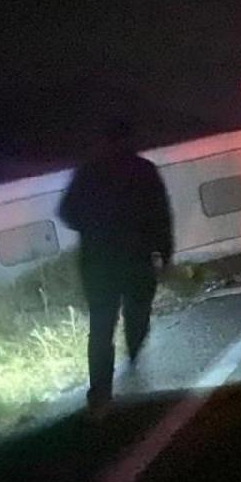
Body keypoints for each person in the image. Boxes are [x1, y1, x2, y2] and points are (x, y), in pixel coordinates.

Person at [59, 119, 172, 414]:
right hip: (136, 259)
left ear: (106, 140)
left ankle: (100, 393)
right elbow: (161, 215)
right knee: (138, 314)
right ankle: (133, 354)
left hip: (98, 262)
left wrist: (93, 228)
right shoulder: (144, 170)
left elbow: (66, 212)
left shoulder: (88, 171)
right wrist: (165, 254)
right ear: (130, 139)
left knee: (101, 327)